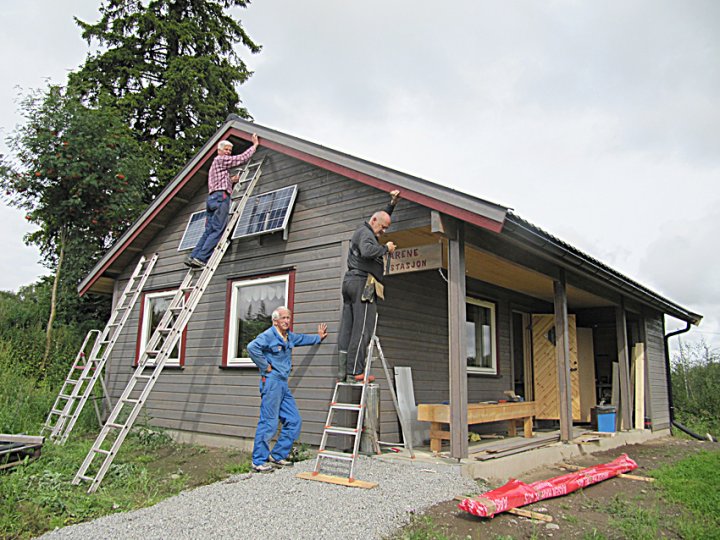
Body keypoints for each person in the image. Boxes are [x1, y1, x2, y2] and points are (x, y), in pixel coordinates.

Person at [247, 306, 328, 472]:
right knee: (269, 422)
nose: (286, 321)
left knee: (294, 420)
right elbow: (251, 348)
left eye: (288, 318)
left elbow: (302, 339)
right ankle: (258, 461)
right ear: (275, 321)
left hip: (283, 384)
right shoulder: (268, 335)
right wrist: (265, 367)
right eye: (283, 318)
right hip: (272, 382)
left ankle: (277, 455)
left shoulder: (289, 336)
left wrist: (318, 338)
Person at [338, 190, 400, 383]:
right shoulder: (366, 233)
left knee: (348, 328)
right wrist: (385, 249)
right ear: (373, 221)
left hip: (350, 282)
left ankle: (344, 370)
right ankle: (356, 371)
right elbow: (367, 251)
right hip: (362, 283)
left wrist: (392, 204)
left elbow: (381, 217)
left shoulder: (367, 229)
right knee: (363, 327)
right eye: (382, 228)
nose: (383, 232)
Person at [185, 134, 259, 268]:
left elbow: (218, 181)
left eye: (230, 151)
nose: (228, 153)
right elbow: (240, 159)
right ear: (219, 150)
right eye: (226, 150)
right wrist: (254, 146)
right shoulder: (221, 159)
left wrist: (231, 181)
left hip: (212, 199)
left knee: (209, 230)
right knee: (218, 229)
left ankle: (194, 256)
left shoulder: (215, 165)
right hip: (221, 198)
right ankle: (201, 258)